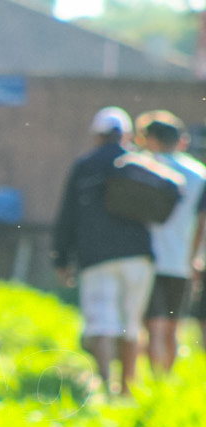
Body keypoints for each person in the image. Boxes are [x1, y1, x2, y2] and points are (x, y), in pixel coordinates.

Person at [52, 106, 155, 397]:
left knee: (102, 323)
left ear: (96, 136)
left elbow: (67, 215)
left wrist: (61, 258)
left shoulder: (84, 166)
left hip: (96, 258)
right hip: (138, 256)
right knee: (131, 324)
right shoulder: (140, 163)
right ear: (126, 134)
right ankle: (127, 390)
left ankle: (107, 389)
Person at [133, 111, 206, 374]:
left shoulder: (140, 166)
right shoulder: (198, 173)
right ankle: (167, 382)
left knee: (151, 326)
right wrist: (194, 258)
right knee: (173, 328)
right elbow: (202, 222)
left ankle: (153, 379)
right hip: (181, 260)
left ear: (149, 138)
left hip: (145, 258)